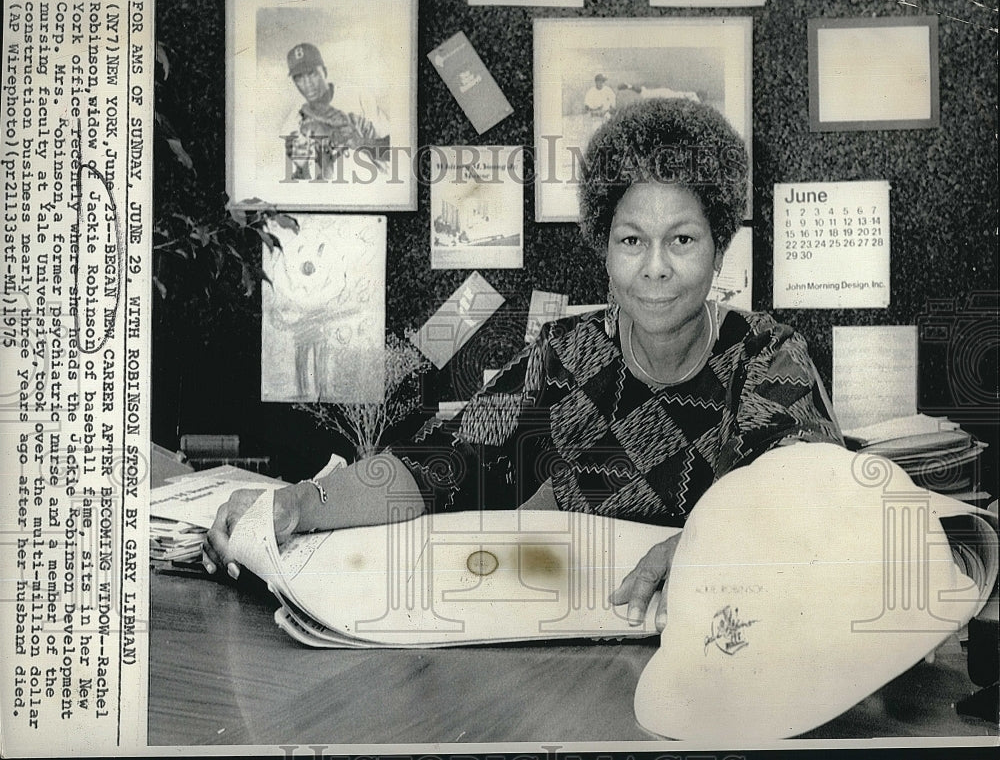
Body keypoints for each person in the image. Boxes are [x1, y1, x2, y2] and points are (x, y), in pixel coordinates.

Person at [205, 98, 843, 631]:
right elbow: (438, 466)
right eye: (631, 241)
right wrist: (302, 502)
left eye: (682, 239)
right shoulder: (565, 357)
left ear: (719, 245)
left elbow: (812, 499)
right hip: (564, 652)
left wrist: (707, 552)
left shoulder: (766, 356)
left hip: (723, 647)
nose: (655, 266)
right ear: (604, 244)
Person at [283, 42, 390, 180]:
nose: (307, 83)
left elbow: (401, 147)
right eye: (299, 78)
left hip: (374, 188)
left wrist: (361, 143)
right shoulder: (293, 123)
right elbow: (294, 187)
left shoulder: (358, 97)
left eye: (311, 73)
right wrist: (300, 168)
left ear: (324, 72)